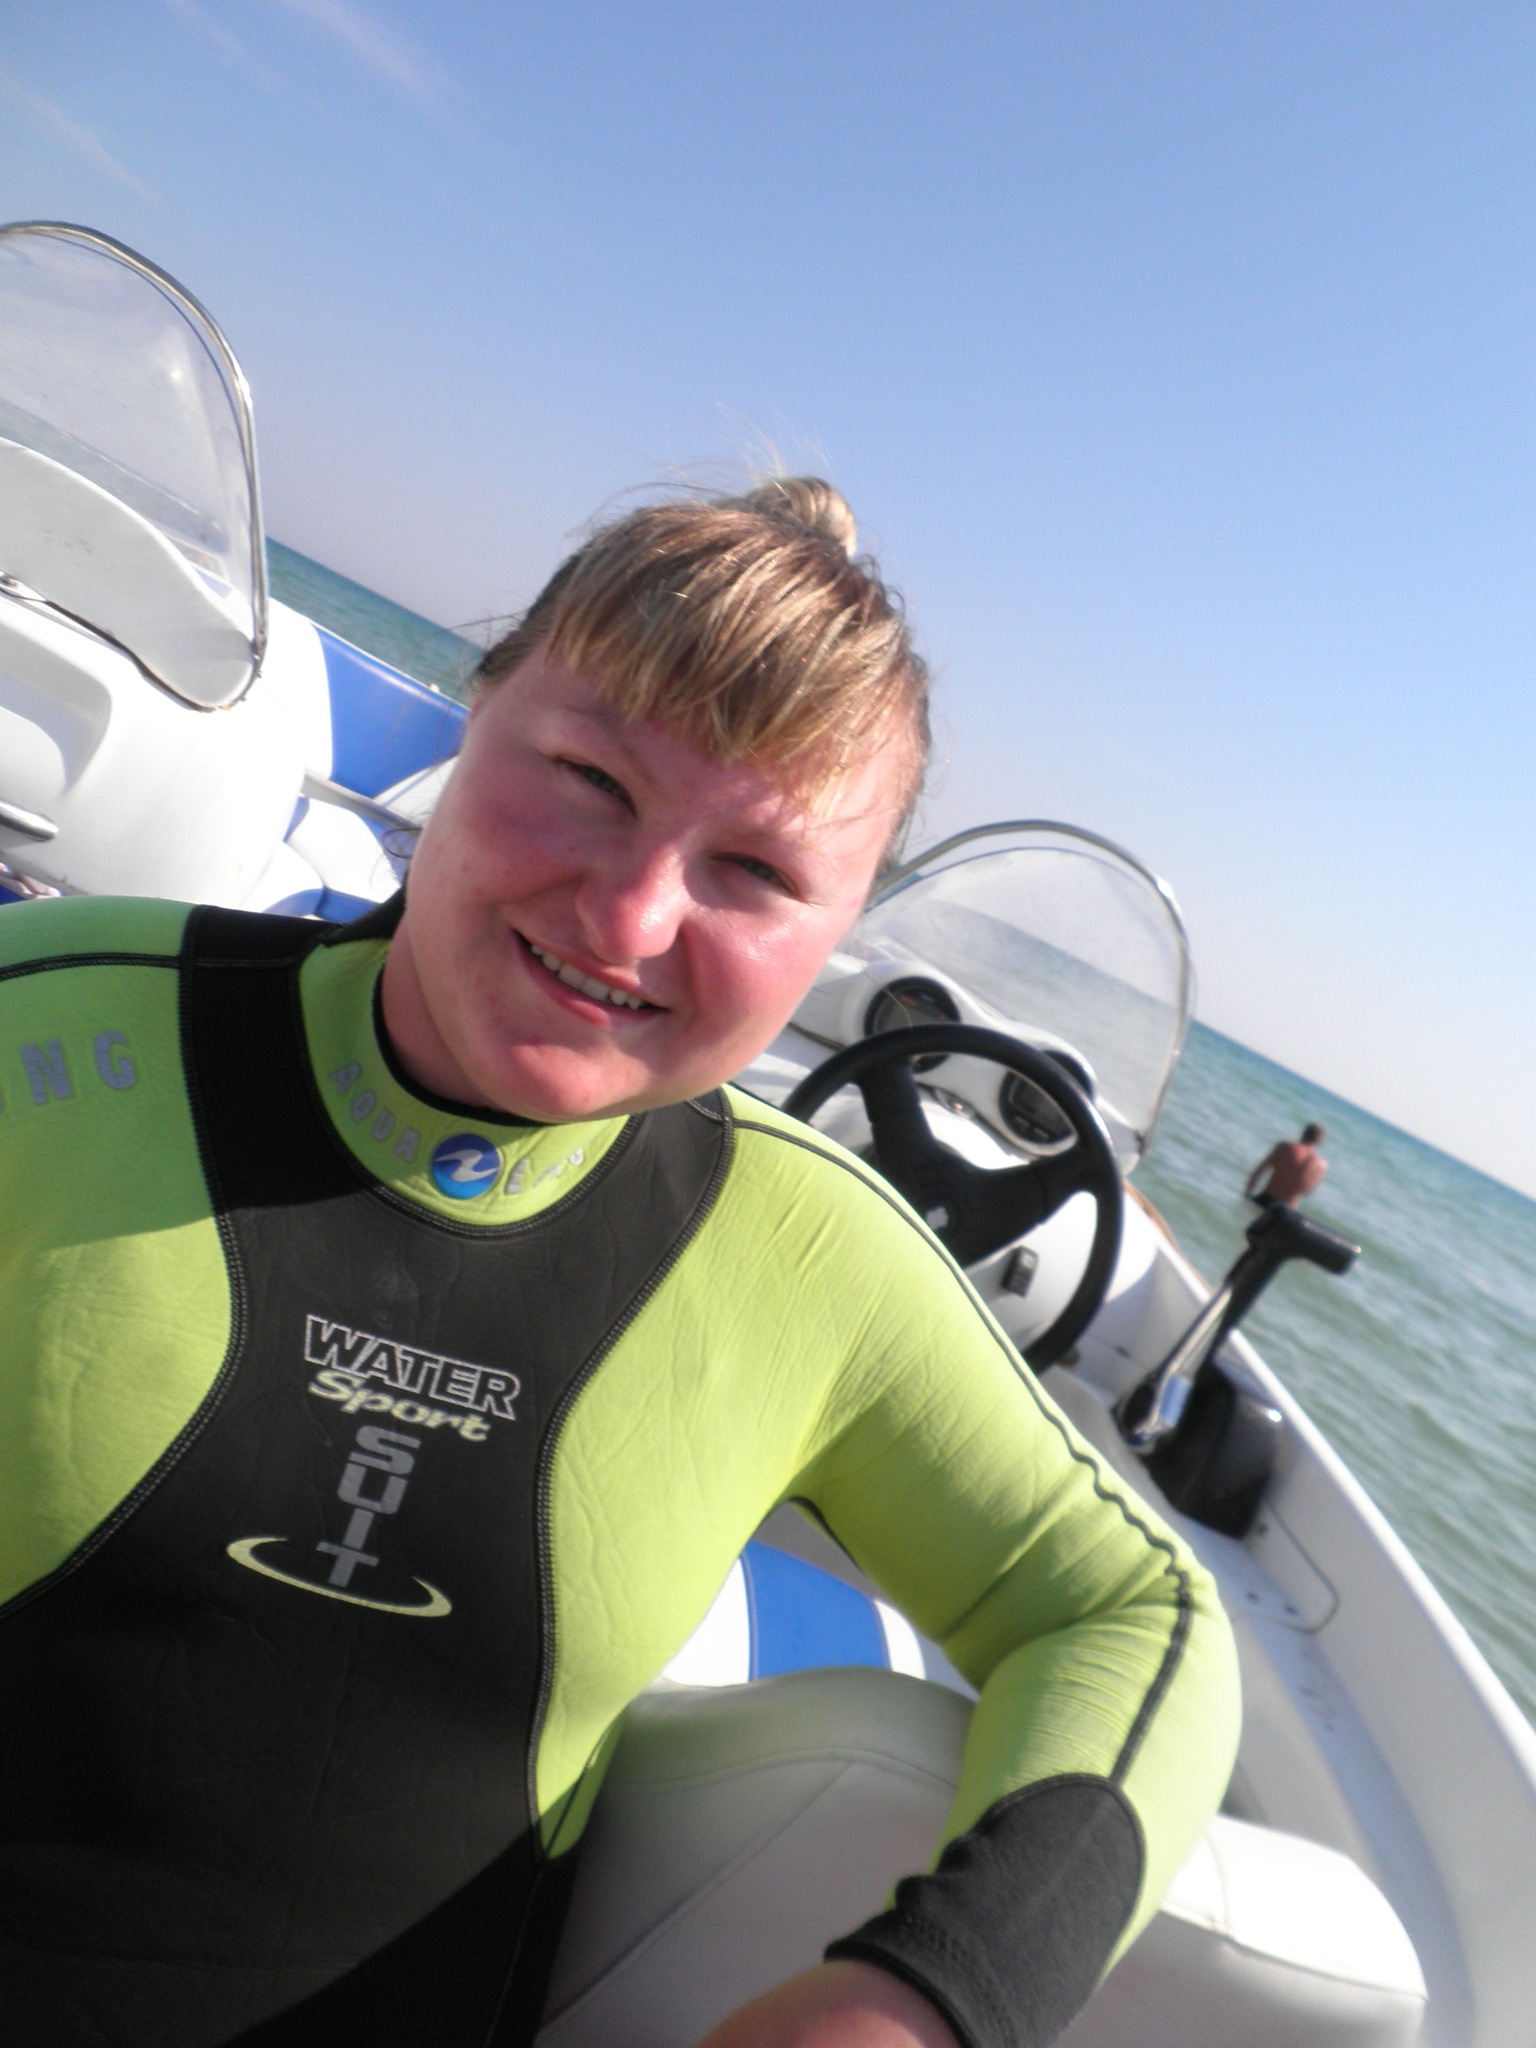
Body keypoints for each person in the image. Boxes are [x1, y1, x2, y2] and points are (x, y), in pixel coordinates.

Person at [0, 478, 1239, 2048]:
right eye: (591, 778)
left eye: (758, 873)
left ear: (844, 930)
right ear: (479, 707)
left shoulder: (815, 1263)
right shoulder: (55, 1027)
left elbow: (1136, 1612)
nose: (634, 915)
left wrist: (933, 1997)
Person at [1245, 1122, 1329, 1207]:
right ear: (1319, 1142)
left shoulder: (1285, 1147)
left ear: (1303, 1133)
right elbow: (1307, 1193)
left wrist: (1248, 1194)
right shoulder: (1322, 1166)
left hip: (1266, 1200)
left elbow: (1259, 1171)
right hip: (1287, 1210)